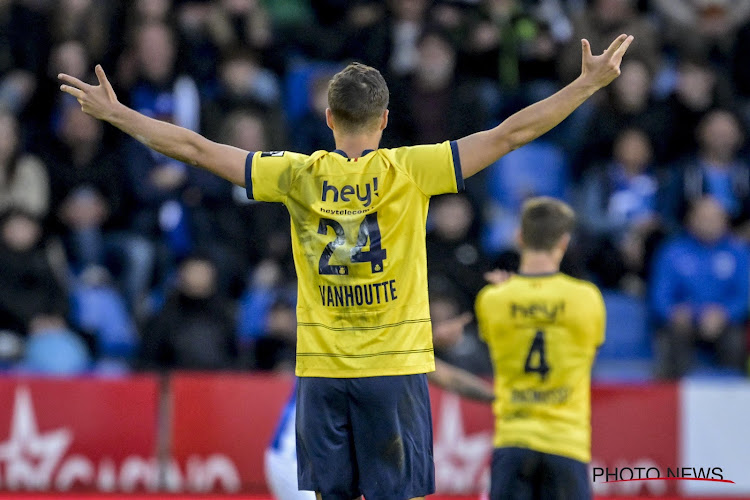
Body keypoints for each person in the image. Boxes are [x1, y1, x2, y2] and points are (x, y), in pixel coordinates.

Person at [59, 32, 632, 500]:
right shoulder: (414, 169)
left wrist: (117, 114)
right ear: (384, 120)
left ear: (330, 117)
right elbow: (511, 134)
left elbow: (195, 148)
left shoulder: (295, 173)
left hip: (323, 370)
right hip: (394, 369)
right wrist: (586, 84)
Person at [475, 197, 606, 499]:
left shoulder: (492, 299)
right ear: (564, 241)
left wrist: (508, 291)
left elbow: (493, 342)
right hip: (566, 441)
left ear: (519, 237)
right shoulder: (586, 297)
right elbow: (591, 356)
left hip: (513, 439)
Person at [650, 196, 748, 379]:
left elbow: (745, 296)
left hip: (724, 323)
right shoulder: (672, 251)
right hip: (683, 322)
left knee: (736, 341)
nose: (709, 223)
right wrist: (673, 312)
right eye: (703, 218)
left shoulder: (739, 252)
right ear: (690, 220)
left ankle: (736, 399)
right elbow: (659, 296)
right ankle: (675, 397)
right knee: (673, 337)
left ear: (725, 221)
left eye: (714, 218)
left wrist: (725, 314)